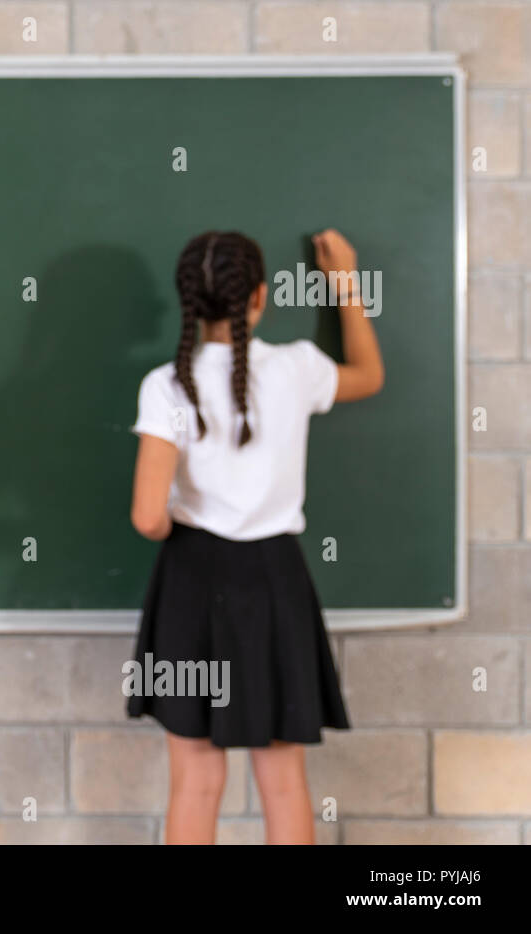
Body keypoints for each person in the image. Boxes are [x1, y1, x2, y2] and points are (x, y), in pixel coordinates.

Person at [126, 228, 383, 844]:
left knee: (194, 779)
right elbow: (369, 375)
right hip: (275, 580)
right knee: (284, 780)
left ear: (187, 302)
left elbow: (146, 517)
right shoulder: (297, 368)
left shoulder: (168, 385)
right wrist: (343, 279)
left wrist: (177, 522)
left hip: (190, 581)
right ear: (261, 297)